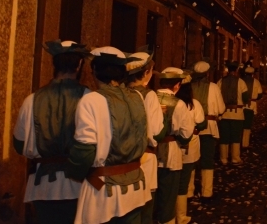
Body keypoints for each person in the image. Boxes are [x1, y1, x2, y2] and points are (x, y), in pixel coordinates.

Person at [67, 46, 151, 224]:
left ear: (95, 71)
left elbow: (84, 151)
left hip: (104, 192)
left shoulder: (91, 100)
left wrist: (73, 171)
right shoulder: (137, 96)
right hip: (136, 187)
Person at [13, 40, 90, 224]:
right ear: (79, 65)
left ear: (54, 63)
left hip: (42, 185)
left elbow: (19, 144)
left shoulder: (32, 99)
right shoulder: (89, 98)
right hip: (77, 183)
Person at [125, 50, 165, 224]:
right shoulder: (150, 95)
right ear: (146, 73)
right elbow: (157, 133)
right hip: (146, 157)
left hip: (123, 159)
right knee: (145, 208)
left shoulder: (120, 93)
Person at [155, 67, 195, 224]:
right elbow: (186, 134)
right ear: (177, 85)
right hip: (171, 156)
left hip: (149, 154)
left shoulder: (148, 99)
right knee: (168, 198)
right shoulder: (179, 104)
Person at [190, 60, 225, 203]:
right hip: (209, 128)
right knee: (207, 160)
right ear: (207, 73)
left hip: (192, 129)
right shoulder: (214, 87)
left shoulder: (189, 87)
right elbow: (221, 108)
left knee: (190, 161)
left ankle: (188, 192)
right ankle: (206, 192)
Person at [176, 77, 207, 224]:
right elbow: (201, 124)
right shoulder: (194, 105)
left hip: (173, 146)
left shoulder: (172, 103)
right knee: (185, 176)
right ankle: (181, 215)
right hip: (190, 143)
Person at [217, 61, 250, 165]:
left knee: (224, 136)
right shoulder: (241, 82)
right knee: (235, 136)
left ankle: (223, 158)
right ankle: (235, 158)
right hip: (237, 114)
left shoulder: (220, 81)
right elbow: (245, 98)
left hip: (224, 113)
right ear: (236, 70)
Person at [242, 66, 263, 146]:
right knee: (247, 125)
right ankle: (245, 143)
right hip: (251, 106)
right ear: (252, 74)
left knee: (241, 124)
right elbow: (260, 95)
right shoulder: (256, 82)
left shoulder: (240, 81)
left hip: (240, 106)